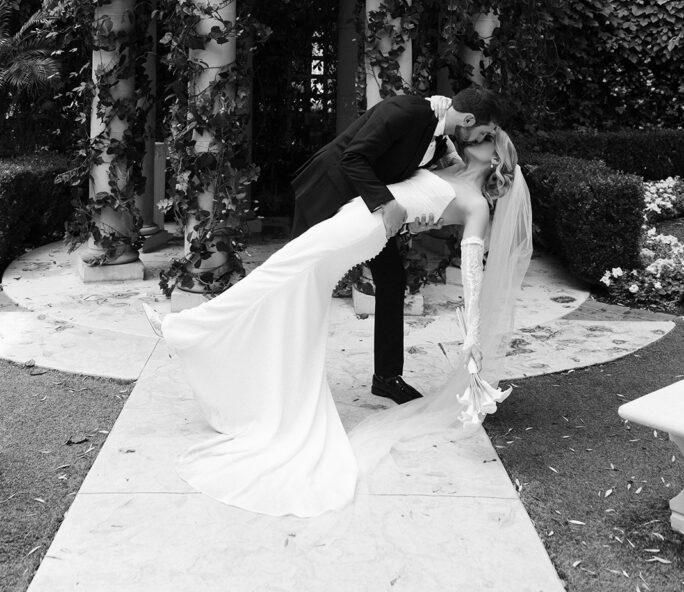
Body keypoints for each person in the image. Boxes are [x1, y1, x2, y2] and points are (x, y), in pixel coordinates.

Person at [143, 127, 533, 518]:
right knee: (295, 289)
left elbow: (472, 271)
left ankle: (183, 327)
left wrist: (474, 334)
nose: (478, 133)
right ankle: (264, 382)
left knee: (280, 269)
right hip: (361, 212)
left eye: (487, 137)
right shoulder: (449, 161)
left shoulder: (478, 206)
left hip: (367, 227)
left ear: (496, 158)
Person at [290, 87, 506, 403]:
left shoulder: (439, 139)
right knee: (302, 285)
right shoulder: (405, 112)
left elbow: (415, 182)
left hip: (367, 211)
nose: (477, 140)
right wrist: (387, 204)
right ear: (469, 119)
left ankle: (387, 378)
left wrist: (415, 222)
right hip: (327, 192)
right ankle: (295, 377)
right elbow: (354, 157)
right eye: (482, 133)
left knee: (392, 279)